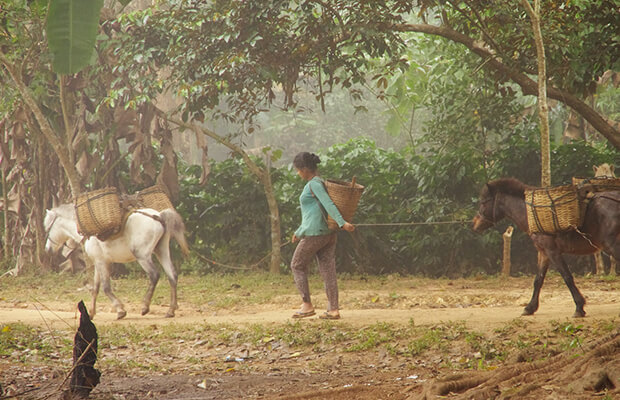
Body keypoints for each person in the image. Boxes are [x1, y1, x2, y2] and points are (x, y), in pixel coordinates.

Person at [290, 152, 355, 320]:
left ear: (304, 169)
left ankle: (307, 305)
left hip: (315, 234)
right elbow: (313, 212)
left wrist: (342, 222)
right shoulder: (321, 182)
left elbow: (328, 204)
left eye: (298, 170)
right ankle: (333, 309)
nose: (298, 174)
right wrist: (298, 232)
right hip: (328, 233)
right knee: (328, 270)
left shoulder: (314, 185)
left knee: (297, 265)